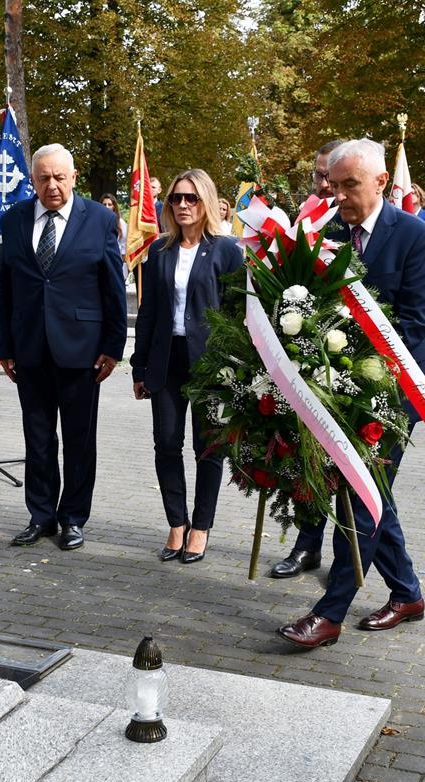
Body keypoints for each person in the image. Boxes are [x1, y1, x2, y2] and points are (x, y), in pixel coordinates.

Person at [276, 138, 425, 649]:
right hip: (337, 388)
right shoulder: (327, 233)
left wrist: (347, 358)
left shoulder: (416, 236)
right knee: (373, 494)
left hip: (396, 393)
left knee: (361, 496)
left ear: (381, 183)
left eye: (350, 185)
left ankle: (330, 614)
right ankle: (407, 594)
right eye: (333, 184)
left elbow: (415, 324)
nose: (339, 194)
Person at [0, 144, 127, 551]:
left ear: (73, 177)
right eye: (43, 178)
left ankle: (73, 518)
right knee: (37, 438)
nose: (52, 185)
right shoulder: (14, 220)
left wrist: (113, 346)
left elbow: (113, 288)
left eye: (59, 177)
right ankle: (41, 516)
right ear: (32, 180)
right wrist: (5, 346)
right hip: (30, 348)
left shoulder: (100, 219)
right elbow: (7, 288)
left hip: (82, 351)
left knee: (79, 440)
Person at [131, 170, 243, 564]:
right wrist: (139, 368)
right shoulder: (159, 251)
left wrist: (235, 369)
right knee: (166, 443)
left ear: (206, 202)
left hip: (210, 364)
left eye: (191, 198)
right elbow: (147, 313)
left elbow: (237, 313)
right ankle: (176, 523)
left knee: (208, 448)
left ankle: (201, 527)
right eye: (176, 198)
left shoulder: (227, 250)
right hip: (166, 361)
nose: (182, 205)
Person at [269, 138, 346, 580]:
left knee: (348, 465)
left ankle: (349, 556)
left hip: (348, 357)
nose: (324, 184)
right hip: (304, 350)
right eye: (319, 175)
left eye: (330, 177)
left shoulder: (351, 221)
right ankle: (306, 545)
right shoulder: (306, 217)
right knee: (307, 455)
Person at [99, 193, 128, 259]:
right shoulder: (97, 221)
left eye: (109, 204)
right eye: (104, 204)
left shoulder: (120, 222)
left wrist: (121, 259)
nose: (107, 207)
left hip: (115, 257)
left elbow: (124, 244)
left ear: (114, 206)